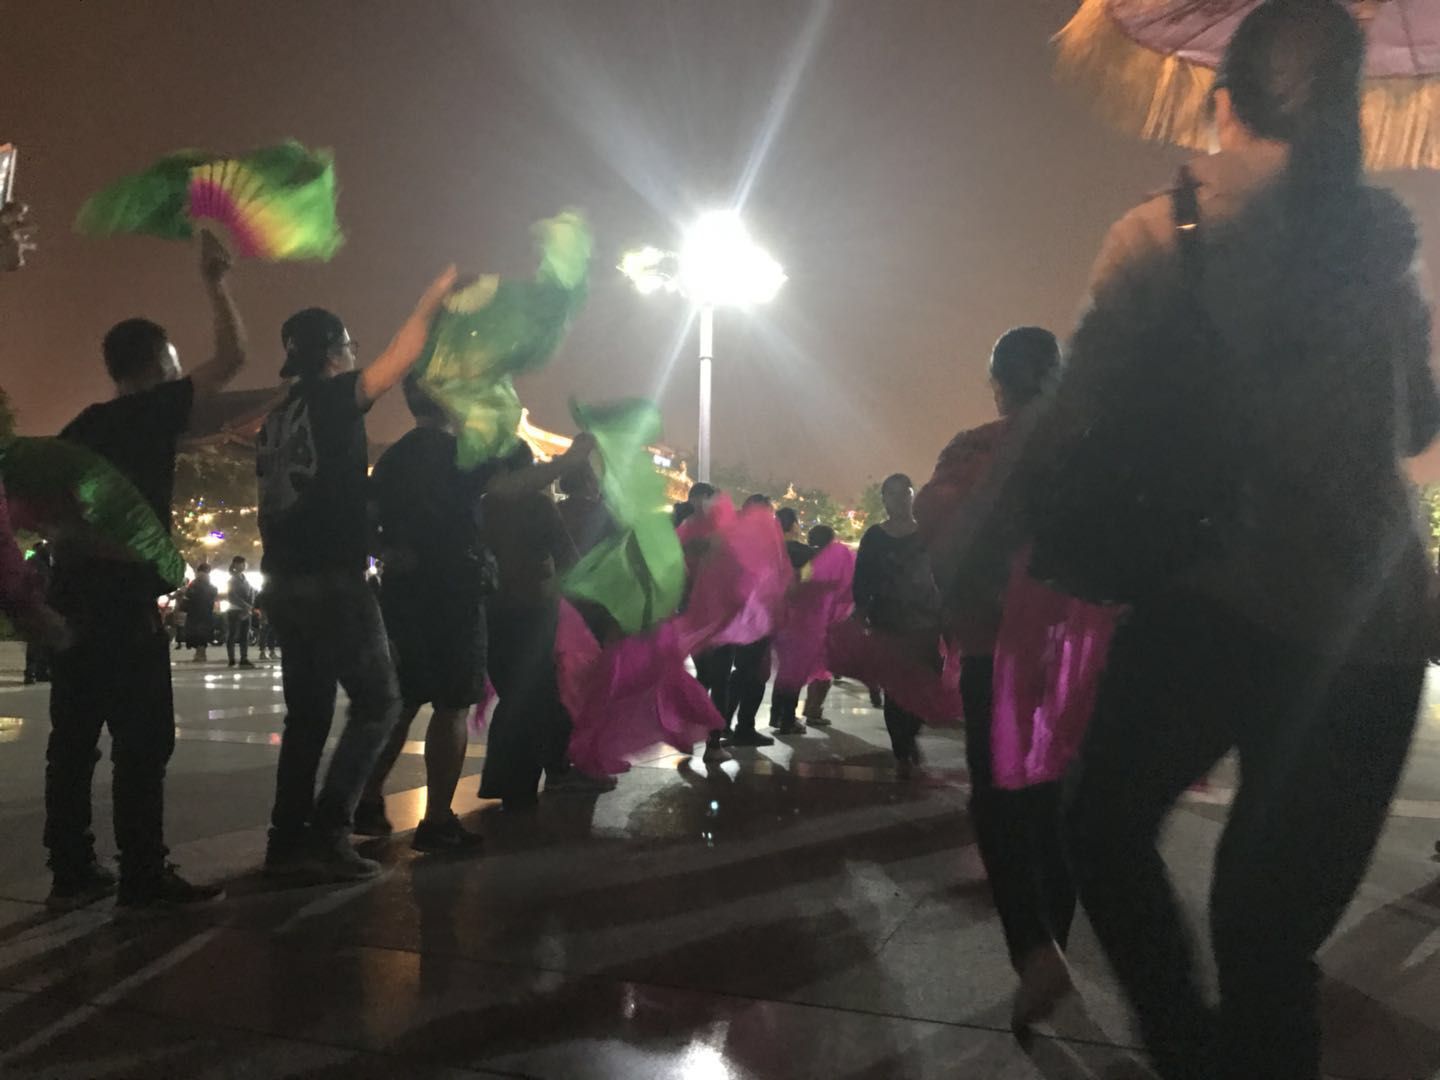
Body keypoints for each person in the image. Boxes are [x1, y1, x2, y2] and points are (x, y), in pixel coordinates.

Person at [1039, 4, 1440, 1076]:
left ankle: (1181, 1046)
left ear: (1223, 103)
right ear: (1351, 116)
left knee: (1102, 823)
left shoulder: (1162, 235)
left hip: (1219, 598)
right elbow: (1418, 424)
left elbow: (1076, 415)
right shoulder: (1384, 256)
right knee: (1270, 944)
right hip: (1374, 630)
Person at [45, 229, 243, 912]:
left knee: (73, 740)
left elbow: (51, 513)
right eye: (175, 363)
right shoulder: (153, 410)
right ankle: (143, 874)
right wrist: (216, 282)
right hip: (125, 601)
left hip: (72, 598)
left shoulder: (80, 426)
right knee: (143, 739)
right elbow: (233, 360)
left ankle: (71, 867)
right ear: (159, 364)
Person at [257, 266, 458, 883]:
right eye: (348, 346)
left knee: (307, 715)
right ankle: (330, 831)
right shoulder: (332, 398)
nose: (354, 355)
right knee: (378, 702)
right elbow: (399, 357)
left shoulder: (277, 416)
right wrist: (432, 299)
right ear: (333, 354)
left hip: (284, 581)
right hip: (332, 581)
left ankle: (287, 842)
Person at [916, 327, 1072, 1034]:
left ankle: (1034, 948)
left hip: (994, 649)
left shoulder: (971, 449)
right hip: (1073, 653)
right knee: (1054, 806)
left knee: (1000, 803)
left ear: (999, 383)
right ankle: (1055, 941)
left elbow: (937, 528)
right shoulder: (1087, 445)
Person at [356, 377, 491, 851]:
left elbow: (364, 519)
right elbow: (507, 488)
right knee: (453, 704)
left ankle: (365, 798)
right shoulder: (461, 455)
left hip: (402, 591)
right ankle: (436, 819)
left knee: (403, 699)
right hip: (454, 589)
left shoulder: (393, 457)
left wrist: (389, 551)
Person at [478, 436, 600, 809]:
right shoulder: (537, 506)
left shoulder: (483, 504)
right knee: (537, 697)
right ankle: (528, 784)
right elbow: (568, 558)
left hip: (490, 609)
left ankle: (504, 781)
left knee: (513, 696)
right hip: (533, 609)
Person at [852, 474, 941, 778]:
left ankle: (910, 732)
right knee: (895, 687)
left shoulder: (928, 533)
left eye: (905, 493)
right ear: (884, 499)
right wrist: (861, 611)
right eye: (892, 494)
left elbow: (942, 571)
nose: (899, 499)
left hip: (926, 621)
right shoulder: (874, 537)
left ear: (912, 496)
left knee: (925, 681)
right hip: (888, 621)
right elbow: (862, 577)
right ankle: (901, 747)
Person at [557, 462, 617, 558]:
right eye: (593, 476)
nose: (597, 480)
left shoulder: (559, 508)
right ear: (587, 482)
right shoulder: (598, 511)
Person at [22, 540, 54, 684]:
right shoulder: (37, 562)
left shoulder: (40, 561)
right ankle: (33, 672)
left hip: (43, 604)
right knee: (37, 640)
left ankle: (39, 671)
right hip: (38, 604)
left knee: (42, 639)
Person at [225, 556, 255, 669]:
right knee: (232, 635)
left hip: (246, 611)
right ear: (235, 565)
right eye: (241, 564)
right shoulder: (232, 580)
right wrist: (245, 606)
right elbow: (232, 596)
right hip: (235, 610)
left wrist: (249, 607)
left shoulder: (245, 579)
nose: (243, 566)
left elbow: (251, 593)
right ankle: (231, 659)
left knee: (245, 636)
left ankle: (244, 658)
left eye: (244, 564)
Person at [184, 564, 217, 663]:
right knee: (203, 634)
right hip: (206, 612)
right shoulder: (211, 585)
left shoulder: (195, 584)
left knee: (197, 634)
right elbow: (213, 596)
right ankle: (201, 654)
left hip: (195, 613)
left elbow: (188, 596)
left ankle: (200, 655)